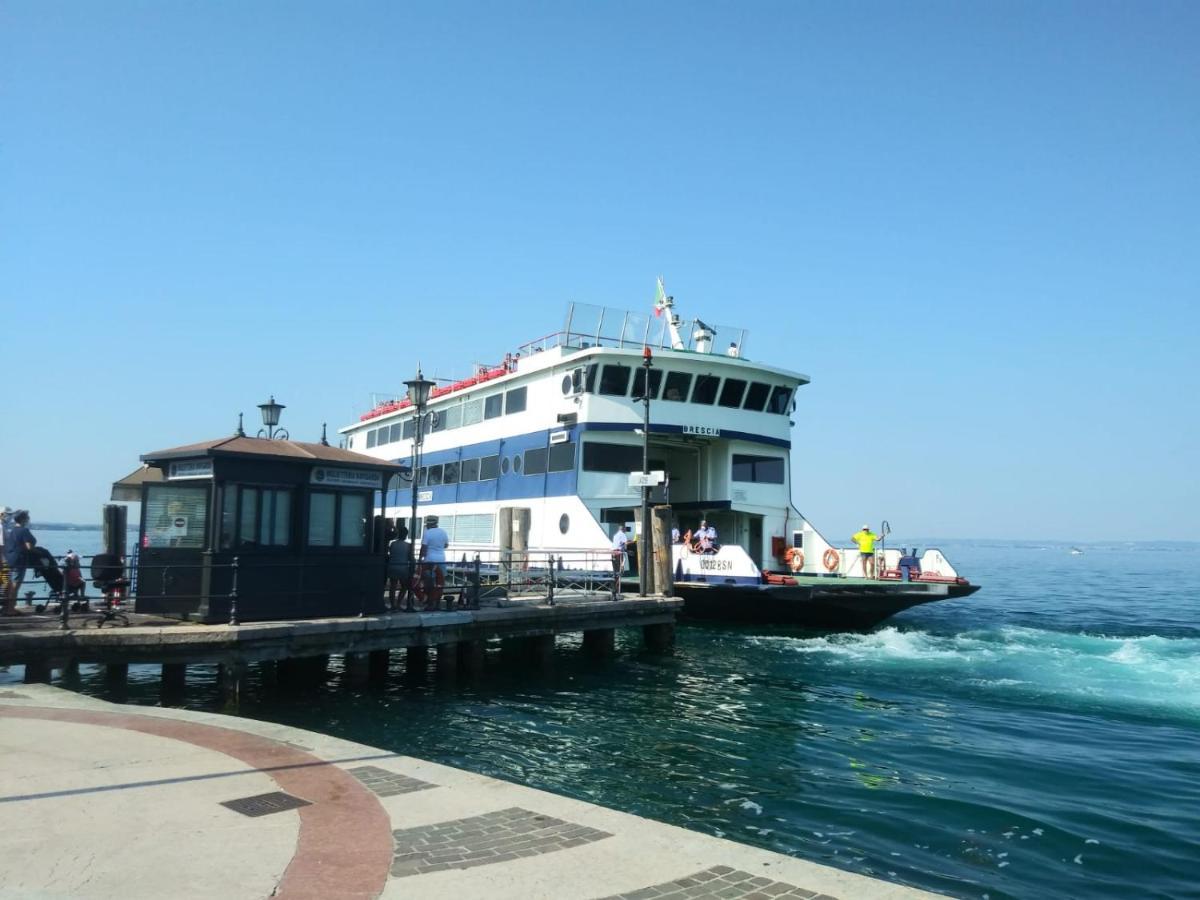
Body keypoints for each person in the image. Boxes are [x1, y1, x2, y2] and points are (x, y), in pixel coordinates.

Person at [3, 510, 36, 615]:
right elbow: (29, 547)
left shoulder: (12, 531)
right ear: (23, 519)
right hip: (19, 560)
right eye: (27, 517)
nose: (28, 519)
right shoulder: (24, 530)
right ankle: (10, 609)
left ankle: (8, 607)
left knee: (9, 585)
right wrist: (37, 551)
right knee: (15, 586)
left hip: (9, 559)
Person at [418, 515, 450, 609]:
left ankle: (429, 603)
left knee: (429, 583)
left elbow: (423, 548)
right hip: (441, 559)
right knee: (440, 583)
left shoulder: (427, 533)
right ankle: (438, 603)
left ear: (428, 524)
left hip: (430, 560)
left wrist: (420, 560)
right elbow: (446, 545)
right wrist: (438, 547)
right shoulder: (443, 532)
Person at [386, 524, 410, 609]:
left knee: (393, 586)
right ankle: (398, 604)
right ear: (406, 535)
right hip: (403, 568)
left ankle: (392, 605)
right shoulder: (408, 545)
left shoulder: (393, 544)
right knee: (404, 586)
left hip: (392, 567)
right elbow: (410, 557)